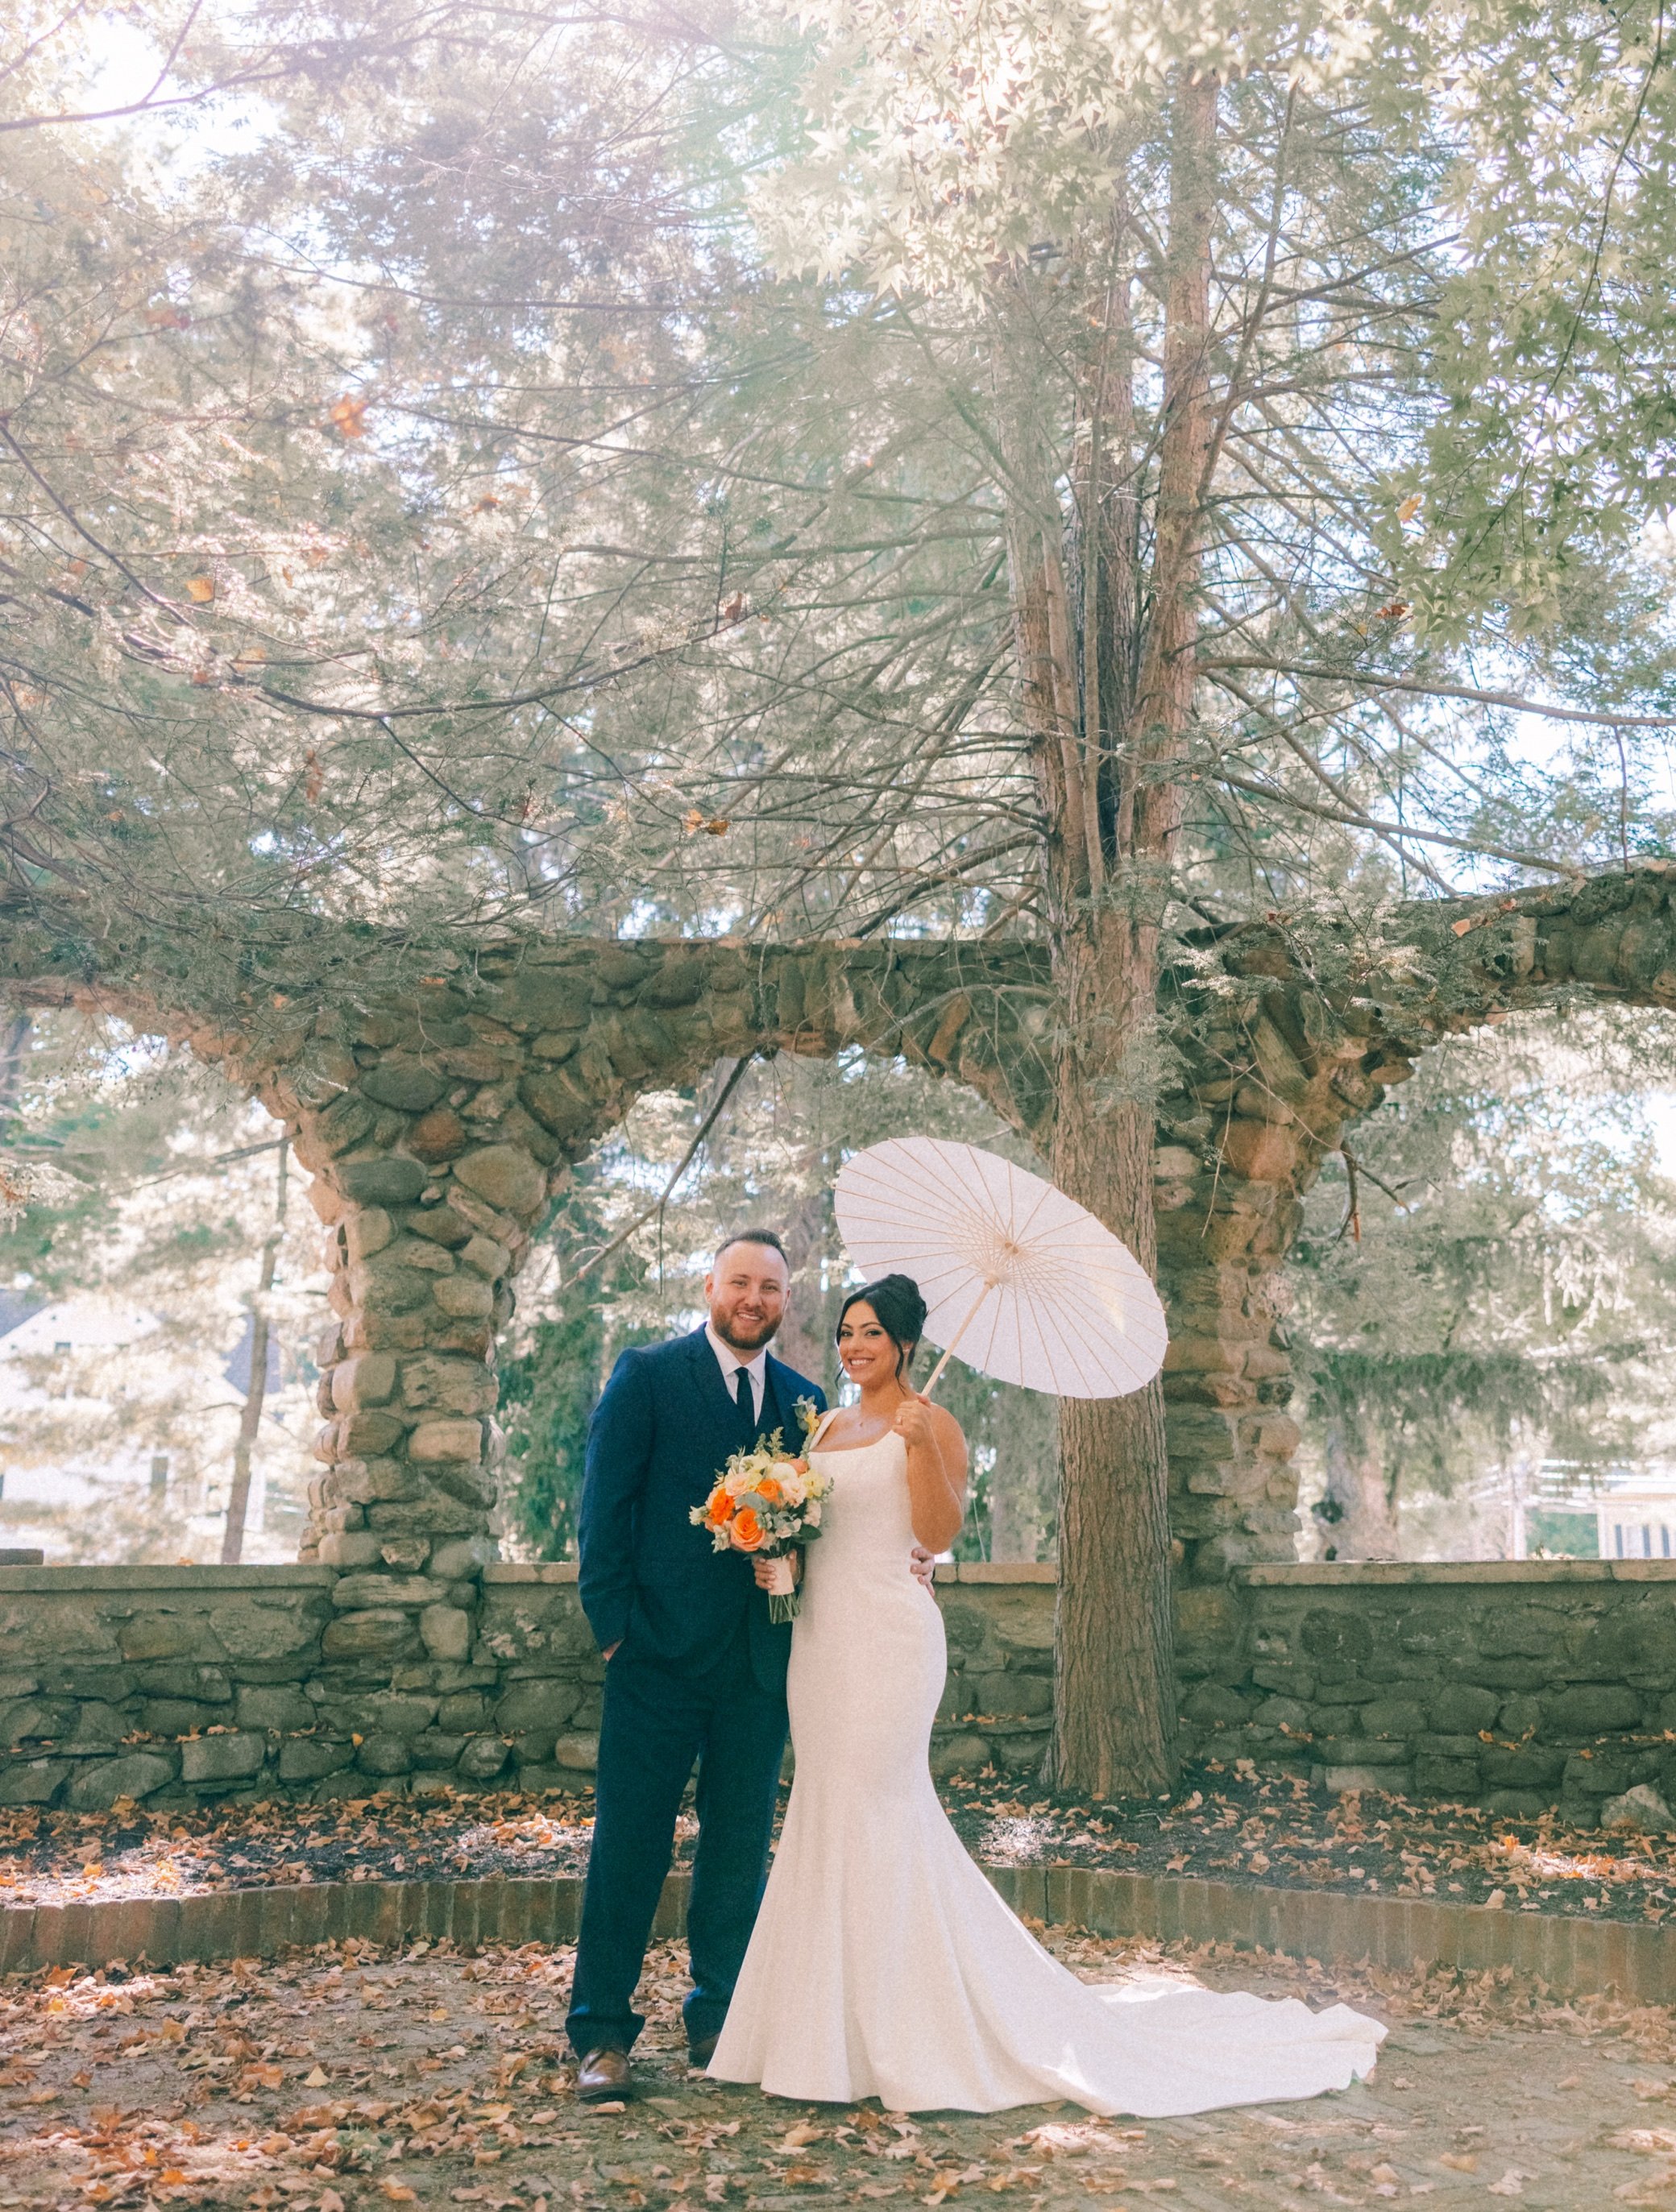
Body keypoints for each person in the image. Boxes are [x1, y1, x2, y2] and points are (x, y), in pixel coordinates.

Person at [710, 1272, 1388, 2117]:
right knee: (823, 1809)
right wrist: (779, 1557)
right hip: (817, 1641)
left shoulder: (935, 1422)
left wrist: (919, 1444)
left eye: (872, 1333)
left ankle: (904, 2030)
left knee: (879, 1809)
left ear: (905, 1344)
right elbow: (823, 1535)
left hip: (888, 1641)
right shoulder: (826, 1429)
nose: (853, 1346)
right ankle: (817, 2038)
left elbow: (934, 1535)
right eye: (847, 1331)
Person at [567, 1230, 934, 2102]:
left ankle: (721, 2016)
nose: (753, 1299)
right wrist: (613, 1630)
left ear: (784, 1301)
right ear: (710, 1287)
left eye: (770, 1287)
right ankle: (601, 2034)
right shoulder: (648, 1375)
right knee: (630, 1845)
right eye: (740, 1281)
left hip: (762, 1667)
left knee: (736, 1851)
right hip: (654, 1658)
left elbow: (851, 1518)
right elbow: (604, 1507)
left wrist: (923, 1557)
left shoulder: (808, 1405)